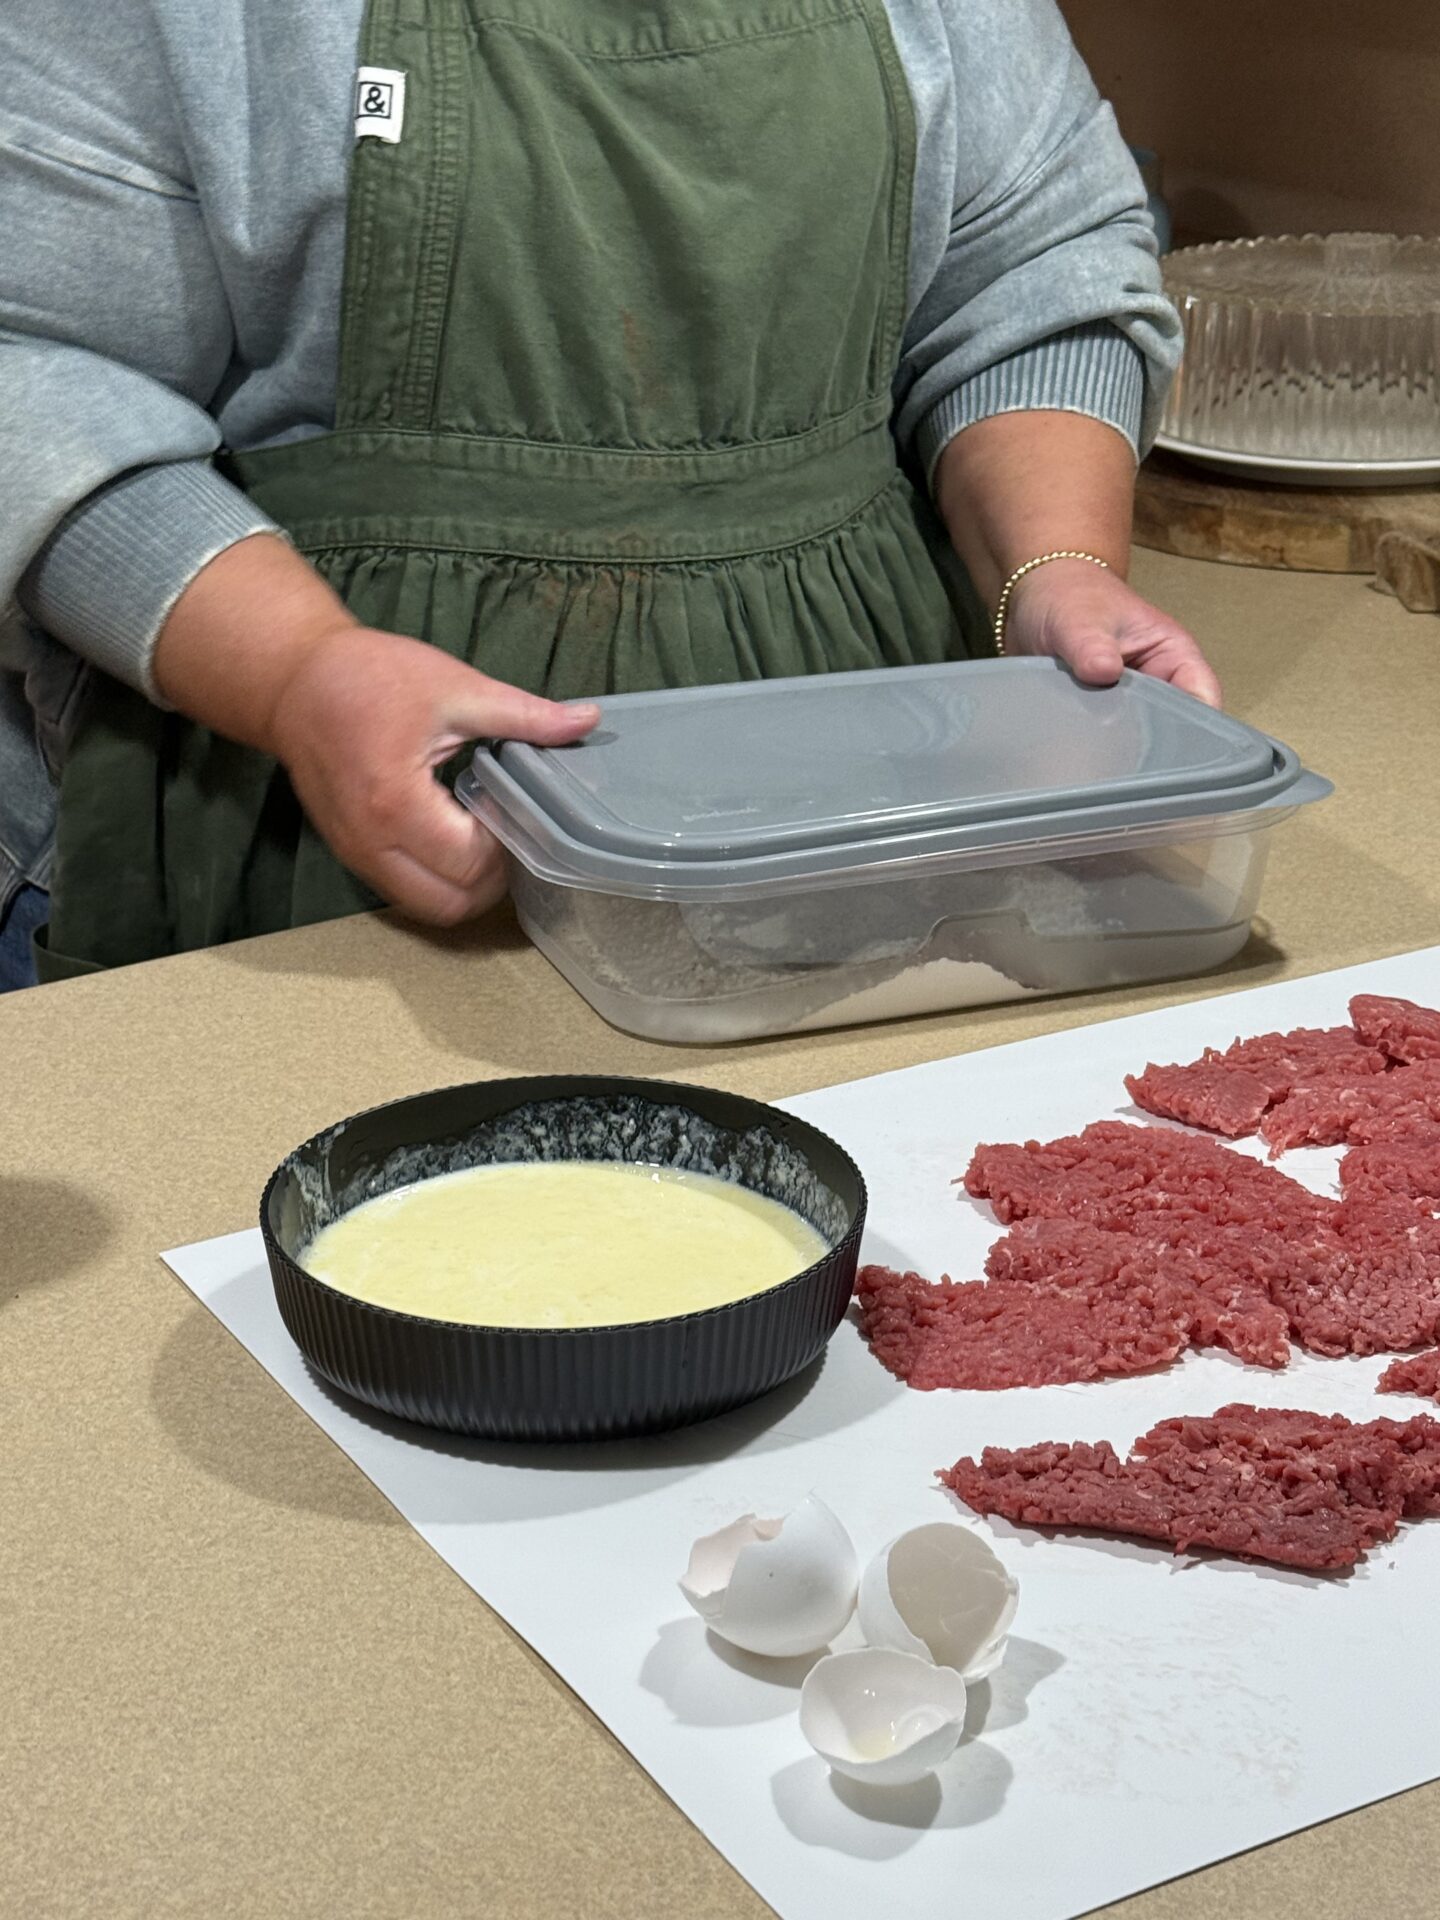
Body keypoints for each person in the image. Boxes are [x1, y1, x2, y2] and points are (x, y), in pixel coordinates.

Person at [0, 0, 1220, 988]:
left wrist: (1054, 567)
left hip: (862, 833)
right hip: (303, 848)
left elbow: (1032, 270)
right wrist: (298, 671)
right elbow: (36, 375)